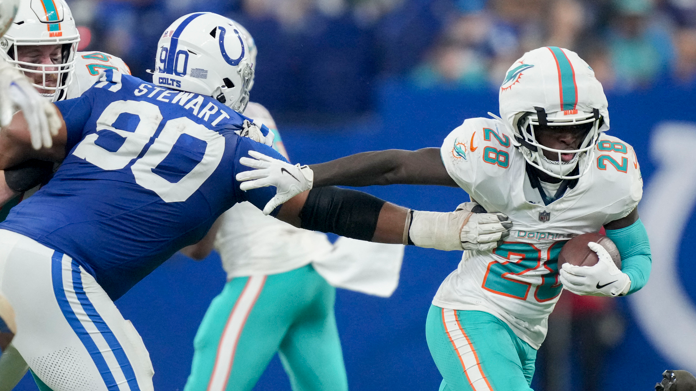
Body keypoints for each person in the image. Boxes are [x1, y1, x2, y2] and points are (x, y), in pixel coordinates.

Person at [0, 12, 511, 390]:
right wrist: (433, 229)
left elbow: (18, 151)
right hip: (58, 271)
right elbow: (322, 207)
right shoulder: (236, 141)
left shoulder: (112, 91)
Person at [237, 46, 652, 391]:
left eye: (578, 129)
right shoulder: (489, 155)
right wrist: (309, 174)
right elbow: (396, 167)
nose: (567, 142)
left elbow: (637, 250)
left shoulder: (611, 175)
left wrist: (621, 281)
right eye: (551, 130)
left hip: (527, 335)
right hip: (471, 314)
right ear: (519, 126)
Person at [181, 23, 405, 391]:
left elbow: (198, 247)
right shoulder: (257, 113)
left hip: (267, 272)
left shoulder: (203, 129)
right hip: (312, 271)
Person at [0, 0, 132, 388]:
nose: (46, 67)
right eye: (32, 53)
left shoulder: (98, 78)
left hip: (61, 248)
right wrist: (22, 174)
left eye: (55, 52)